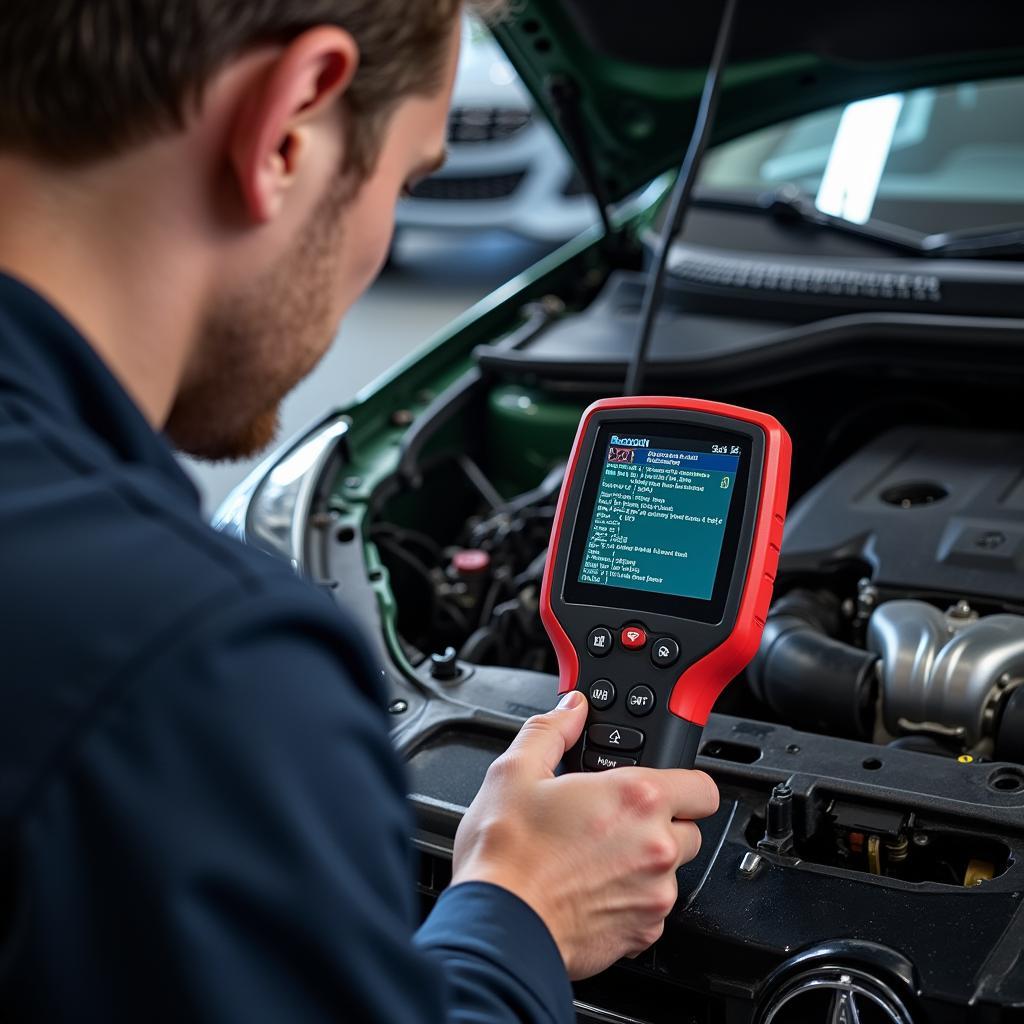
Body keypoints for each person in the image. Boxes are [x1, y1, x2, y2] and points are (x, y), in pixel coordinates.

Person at [0, 2, 720, 1021]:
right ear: (290, 123)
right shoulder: (192, 672)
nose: (383, 235)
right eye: (409, 176)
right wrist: (517, 913)